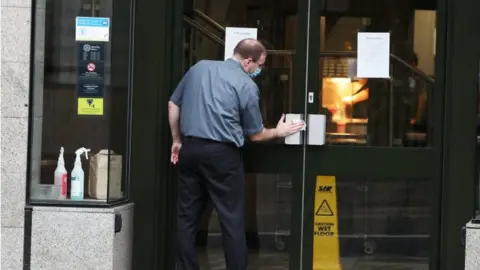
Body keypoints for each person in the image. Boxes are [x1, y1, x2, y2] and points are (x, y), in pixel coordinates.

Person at [168, 38, 305, 270]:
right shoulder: (246, 86)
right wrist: (278, 131)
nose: (259, 71)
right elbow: (256, 135)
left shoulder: (199, 68)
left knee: (187, 219)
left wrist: (177, 140)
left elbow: (173, 104)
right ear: (248, 62)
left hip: (190, 151)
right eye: (259, 65)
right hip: (222, 156)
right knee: (231, 220)